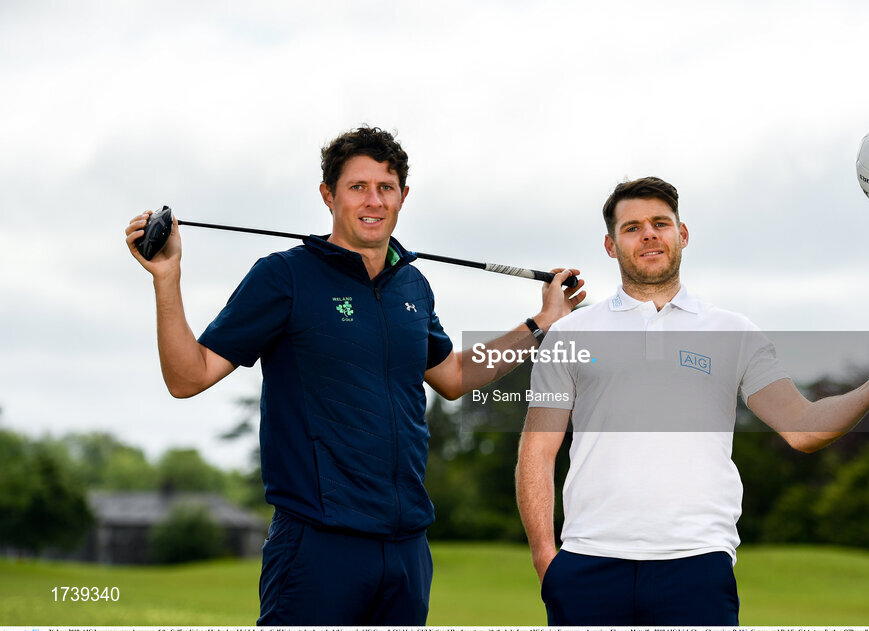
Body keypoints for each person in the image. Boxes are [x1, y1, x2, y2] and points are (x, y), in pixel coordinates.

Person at [124, 126, 586, 626]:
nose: (374, 201)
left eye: (386, 188)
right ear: (328, 195)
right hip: (317, 546)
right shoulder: (284, 276)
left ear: (404, 197)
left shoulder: (413, 284)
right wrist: (168, 277)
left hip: (407, 549)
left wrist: (541, 325)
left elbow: (453, 376)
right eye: (357, 187)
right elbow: (187, 377)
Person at [515, 176, 869, 626]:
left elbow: (803, 428)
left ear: (681, 235)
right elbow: (538, 450)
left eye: (660, 223)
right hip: (587, 561)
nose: (649, 233)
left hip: (697, 565)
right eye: (631, 228)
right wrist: (545, 559)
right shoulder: (570, 333)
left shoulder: (734, 331)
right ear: (611, 246)